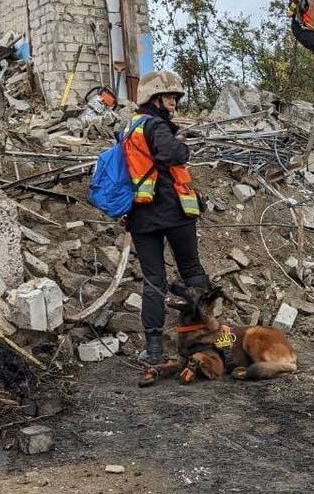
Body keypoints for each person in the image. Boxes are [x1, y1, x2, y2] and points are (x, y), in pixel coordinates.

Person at [123, 71, 209, 385]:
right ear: (154, 98)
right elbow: (171, 153)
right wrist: (183, 149)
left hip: (142, 216)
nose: (173, 102)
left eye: (175, 97)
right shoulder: (155, 124)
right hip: (172, 210)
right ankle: (211, 337)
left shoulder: (130, 127)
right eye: (169, 96)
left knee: (154, 281)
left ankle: (154, 349)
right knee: (192, 271)